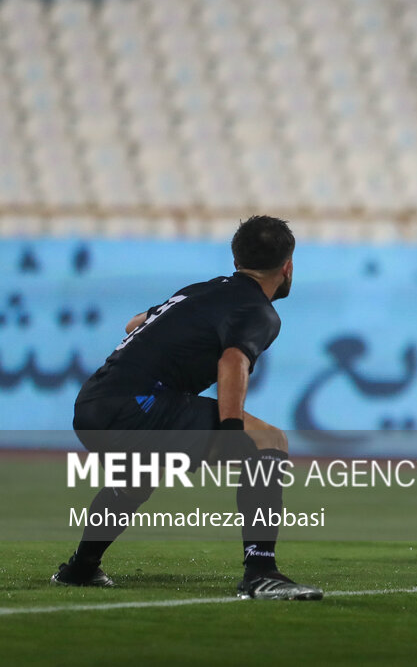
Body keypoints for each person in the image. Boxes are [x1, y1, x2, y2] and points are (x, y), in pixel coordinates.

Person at [52, 216, 322, 600]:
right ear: (288, 266)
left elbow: (134, 325)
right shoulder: (259, 311)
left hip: (92, 404)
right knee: (268, 441)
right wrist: (230, 433)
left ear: (236, 259)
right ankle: (261, 571)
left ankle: (81, 567)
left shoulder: (200, 291)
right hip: (136, 405)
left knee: (138, 477)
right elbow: (233, 362)